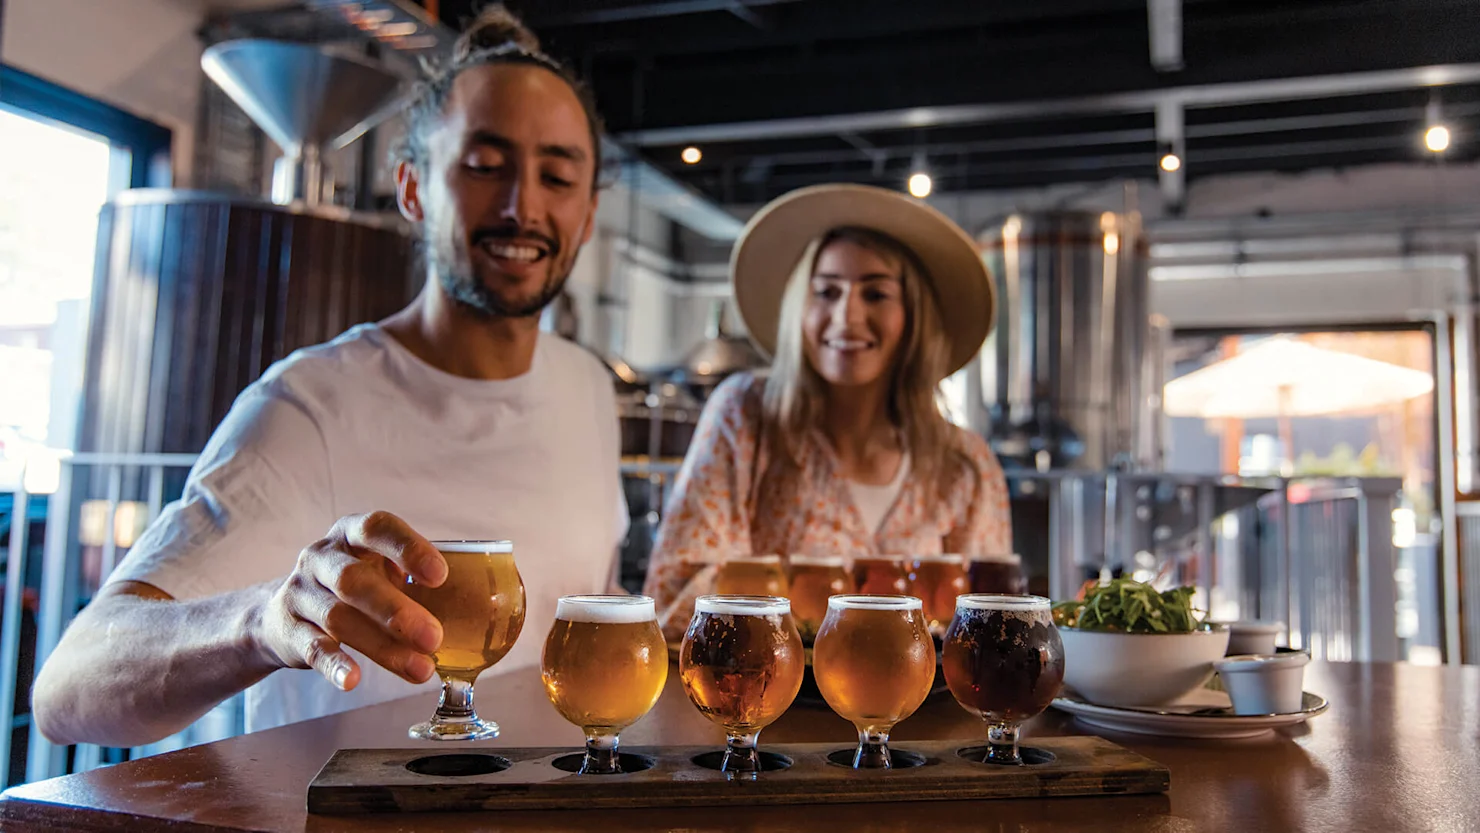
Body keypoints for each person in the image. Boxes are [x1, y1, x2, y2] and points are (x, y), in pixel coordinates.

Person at [31, 6, 626, 746]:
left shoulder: (589, 390)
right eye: (483, 165)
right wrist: (260, 621)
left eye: (558, 176)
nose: (522, 205)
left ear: (590, 213)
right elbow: (67, 690)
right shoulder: (308, 405)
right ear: (412, 189)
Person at [644, 184, 1012, 637]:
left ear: (915, 318)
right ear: (800, 307)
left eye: (875, 294)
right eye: (826, 292)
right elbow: (674, 601)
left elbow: (990, 632)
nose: (846, 317)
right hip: (766, 702)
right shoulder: (745, 415)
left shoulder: (967, 464)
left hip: (924, 708)